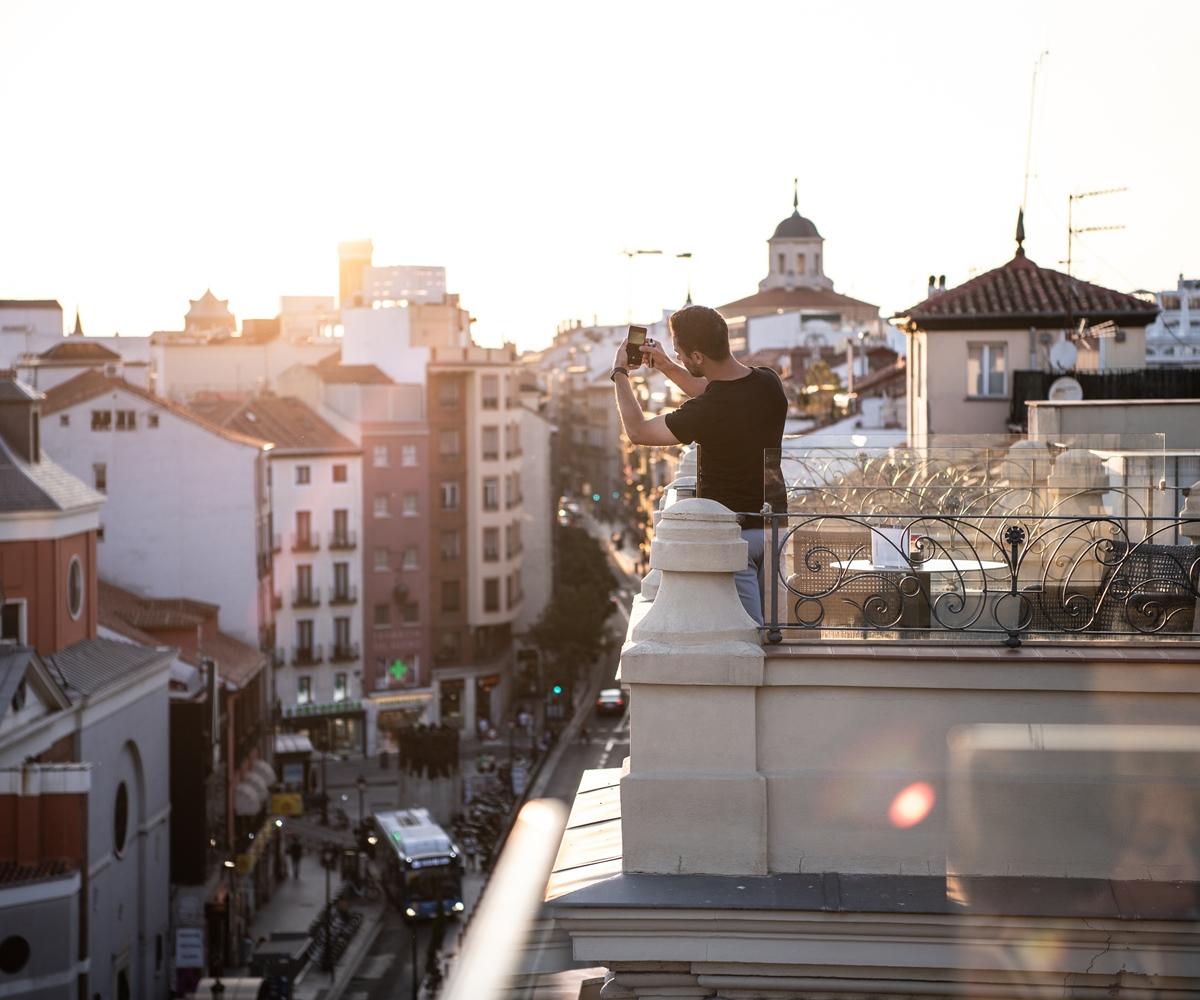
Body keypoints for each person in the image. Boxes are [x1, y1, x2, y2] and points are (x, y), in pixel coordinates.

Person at [611, 304, 787, 624]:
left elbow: (638, 431)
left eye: (680, 352)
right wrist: (665, 365)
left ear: (697, 357)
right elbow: (715, 391)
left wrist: (619, 374)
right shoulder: (768, 382)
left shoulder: (707, 412)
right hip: (776, 526)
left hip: (734, 538)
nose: (677, 356)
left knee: (750, 637)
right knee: (779, 627)